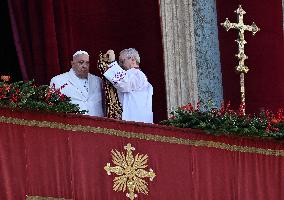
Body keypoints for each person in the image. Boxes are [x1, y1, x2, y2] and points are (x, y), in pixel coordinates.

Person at [103, 48, 153, 123]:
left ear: (133, 60)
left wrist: (113, 63)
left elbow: (124, 84)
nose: (121, 65)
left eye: (122, 61)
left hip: (137, 121)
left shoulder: (138, 74)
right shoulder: (130, 74)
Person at [50, 50, 104, 117]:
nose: (84, 66)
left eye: (87, 63)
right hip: (73, 124)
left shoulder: (98, 80)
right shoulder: (58, 80)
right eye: (81, 62)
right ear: (72, 64)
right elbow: (53, 108)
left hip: (98, 124)